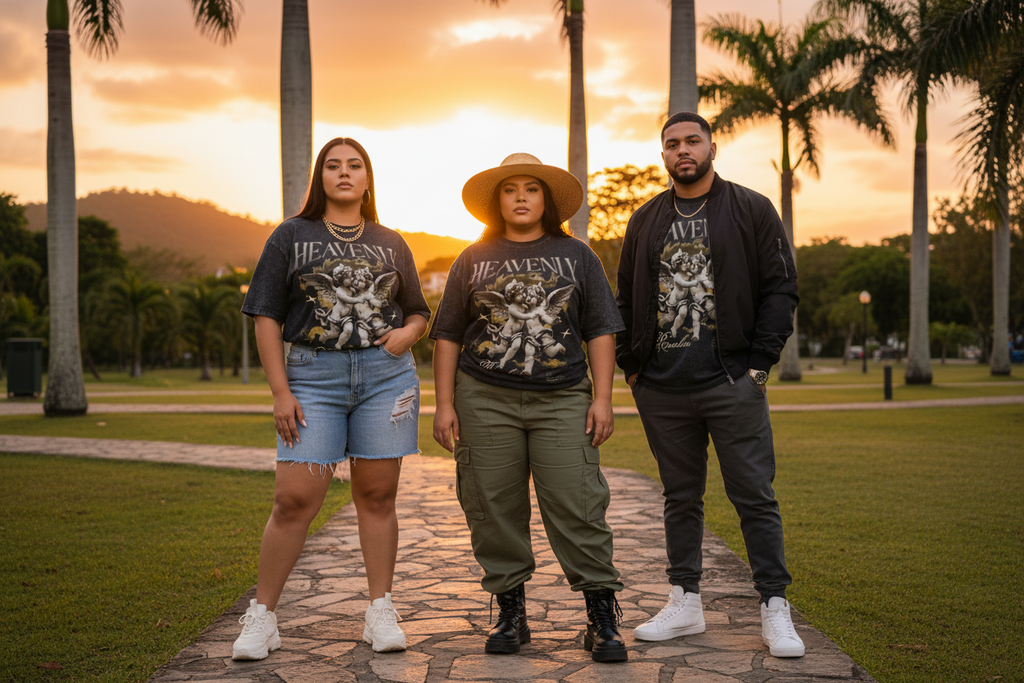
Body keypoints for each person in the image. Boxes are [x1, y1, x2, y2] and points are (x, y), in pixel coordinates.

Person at [616, 112, 805, 658]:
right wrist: (635, 367)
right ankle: (685, 601)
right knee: (680, 497)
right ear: (664, 155)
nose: (683, 150)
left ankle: (774, 606)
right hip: (663, 387)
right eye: (672, 143)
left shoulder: (750, 208)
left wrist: (759, 366)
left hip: (731, 380)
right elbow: (627, 298)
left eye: (692, 141)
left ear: (712, 147)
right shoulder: (646, 219)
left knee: (753, 496)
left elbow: (780, 288)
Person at [233, 137, 430, 660]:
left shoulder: (392, 241)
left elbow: (417, 311)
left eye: (355, 165)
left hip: (386, 377)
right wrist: (280, 391)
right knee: (293, 498)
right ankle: (263, 616)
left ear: (368, 179)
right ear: (320, 177)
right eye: (333, 165)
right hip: (310, 378)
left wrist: (409, 334)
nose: (344, 173)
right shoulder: (290, 236)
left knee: (377, 497)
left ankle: (379, 610)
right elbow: (267, 316)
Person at [430, 153, 628, 663]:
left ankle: (601, 615)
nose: (521, 197)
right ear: (497, 200)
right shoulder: (472, 257)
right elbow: (448, 334)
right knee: (492, 504)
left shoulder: (578, 255)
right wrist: (444, 404)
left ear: (547, 200)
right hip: (484, 397)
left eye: (531, 189)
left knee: (578, 502)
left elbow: (601, 329)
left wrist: (603, 399)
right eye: (510, 189)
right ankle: (510, 612)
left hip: (563, 397)